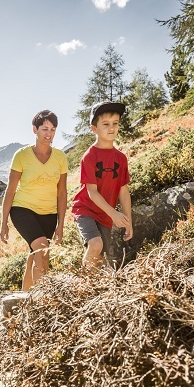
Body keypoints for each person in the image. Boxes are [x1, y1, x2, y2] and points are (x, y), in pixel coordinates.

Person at [0, 110, 71, 291]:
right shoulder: (22, 155)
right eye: (44, 129)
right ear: (35, 130)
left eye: (53, 129)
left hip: (49, 213)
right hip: (23, 209)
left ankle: (24, 299)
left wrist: (61, 224)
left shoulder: (60, 157)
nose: (49, 134)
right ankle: (41, 301)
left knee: (36, 255)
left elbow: (62, 193)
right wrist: (3, 222)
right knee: (42, 250)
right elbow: (10, 190)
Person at [71, 102, 133, 270]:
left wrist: (128, 221)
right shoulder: (89, 156)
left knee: (101, 261)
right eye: (106, 124)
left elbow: (123, 191)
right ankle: (82, 285)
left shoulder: (121, 158)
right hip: (86, 210)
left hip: (105, 216)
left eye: (115, 123)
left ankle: (91, 286)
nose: (111, 128)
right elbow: (92, 192)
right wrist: (114, 213)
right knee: (95, 244)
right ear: (94, 129)